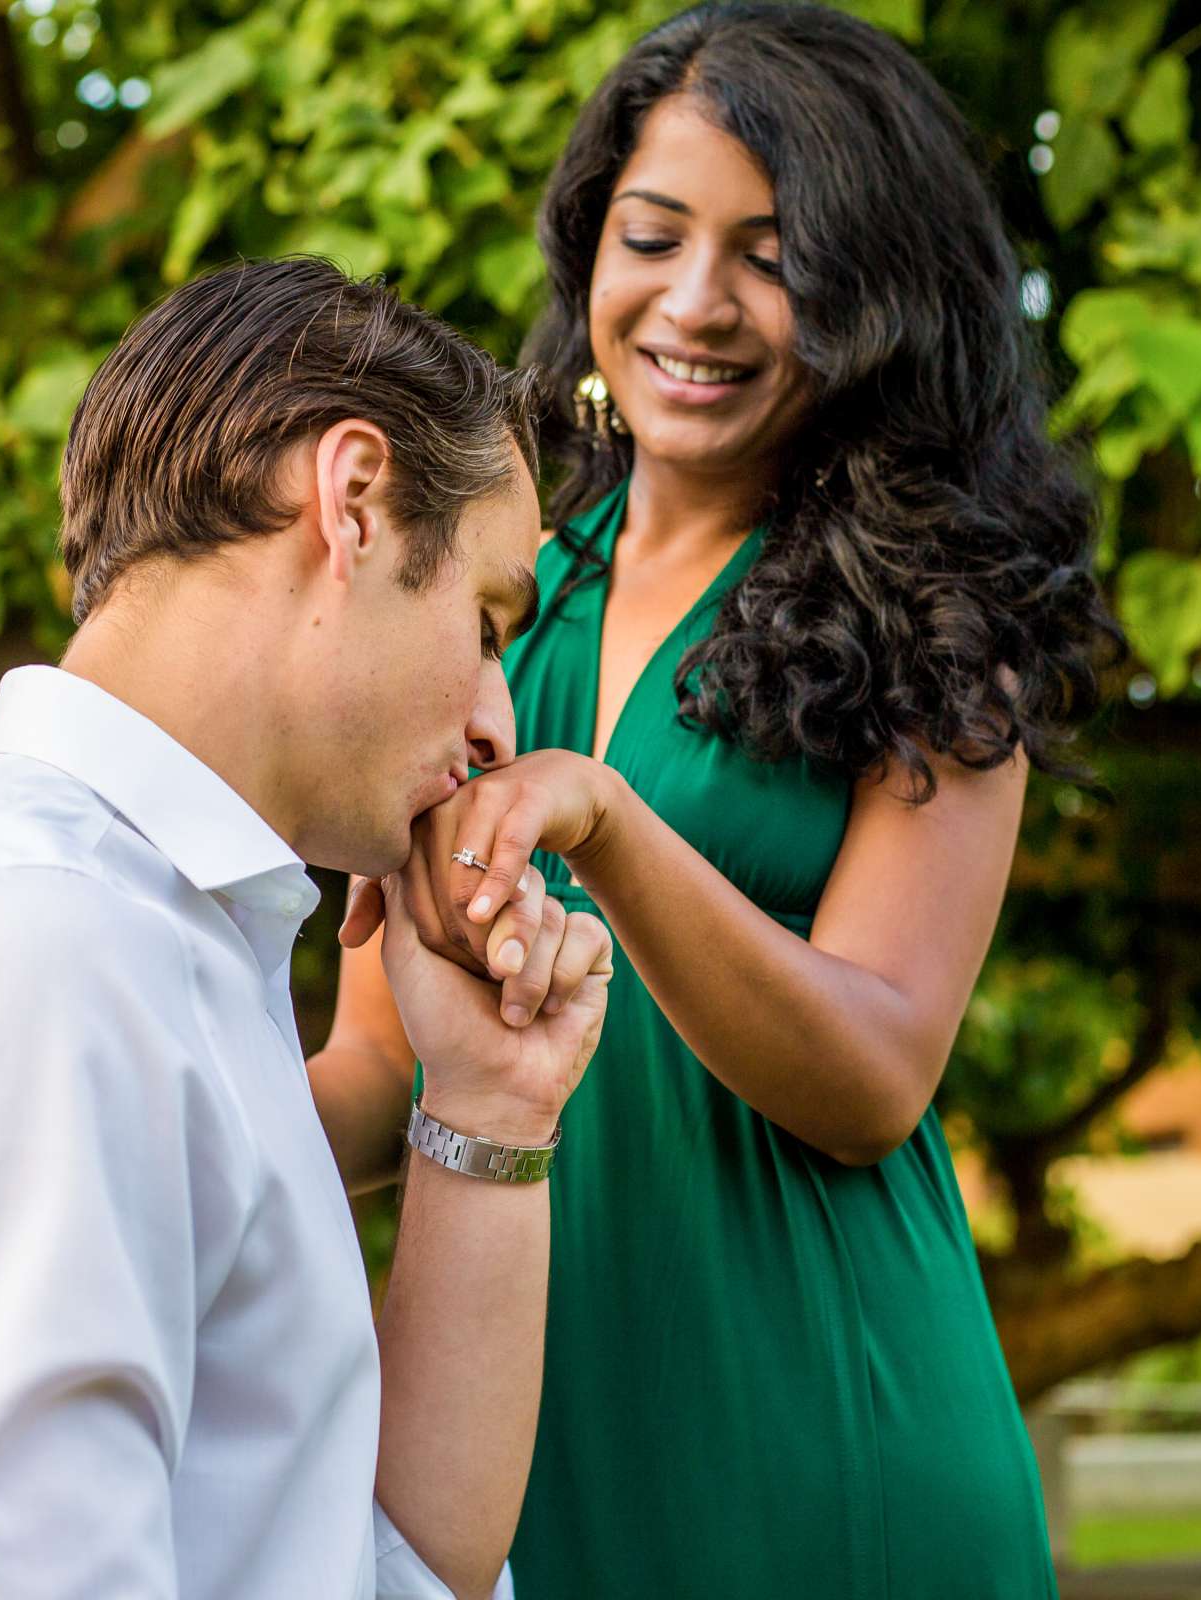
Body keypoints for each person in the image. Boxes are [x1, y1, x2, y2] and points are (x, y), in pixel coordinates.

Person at [319, 6, 1118, 1595]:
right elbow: (371, 1063)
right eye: (653, 235)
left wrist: (612, 825)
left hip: (825, 1417)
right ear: (589, 252)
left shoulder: (942, 612)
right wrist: (133, 1143)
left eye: (774, 254)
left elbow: (877, 1074)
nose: (696, 304)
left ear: (877, 292)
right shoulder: (491, 586)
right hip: (518, 1413)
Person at [0, 255, 616, 1600]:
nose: (497, 723)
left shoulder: (158, 950)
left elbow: (387, 1570)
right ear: (353, 502)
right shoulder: (30, 951)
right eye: (484, 623)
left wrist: (493, 1099)